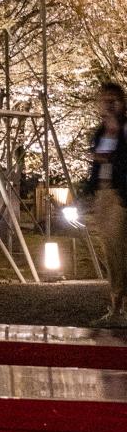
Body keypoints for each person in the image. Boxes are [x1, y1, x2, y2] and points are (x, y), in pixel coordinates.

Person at [82, 82, 127, 323]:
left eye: (113, 100)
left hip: (120, 195)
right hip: (103, 194)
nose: (108, 104)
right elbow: (96, 166)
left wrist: (109, 156)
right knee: (110, 251)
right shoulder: (100, 132)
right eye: (105, 100)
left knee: (119, 249)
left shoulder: (124, 130)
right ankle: (116, 307)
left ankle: (120, 307)